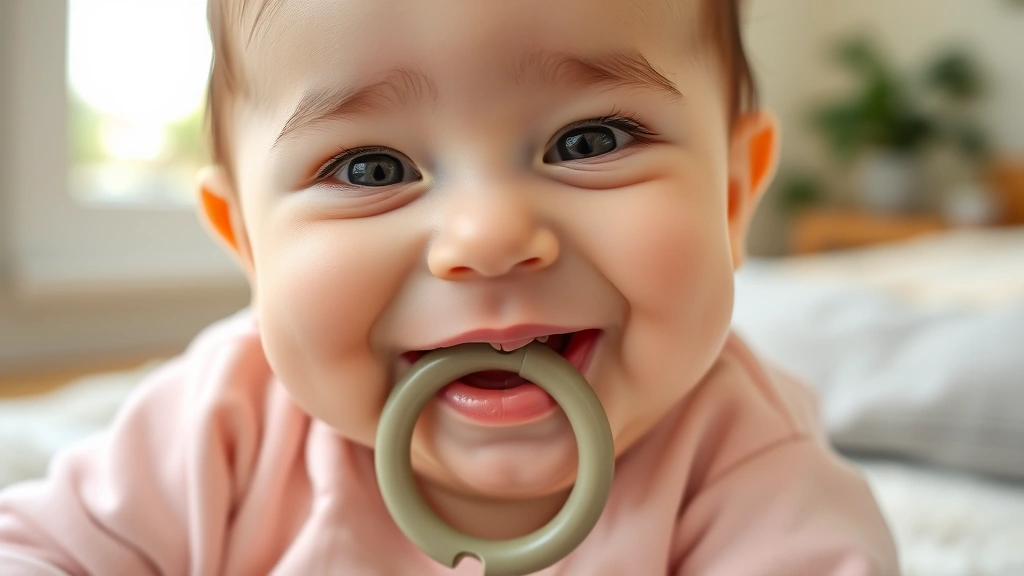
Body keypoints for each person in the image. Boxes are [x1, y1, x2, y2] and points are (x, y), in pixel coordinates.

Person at [0, 0, 899, 574]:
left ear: (735, 195)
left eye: (588, 143)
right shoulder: (221, 422)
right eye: (369, 164)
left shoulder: (750, 475)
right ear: (247, 244)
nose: (487, 238)